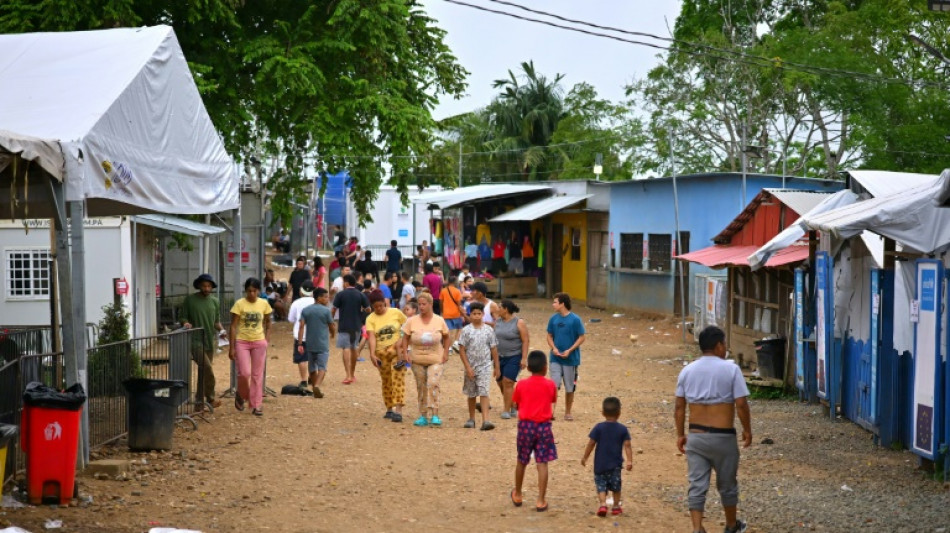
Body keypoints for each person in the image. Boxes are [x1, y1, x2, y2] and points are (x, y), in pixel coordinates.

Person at [675, 326, 751, 533]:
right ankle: (730, 525)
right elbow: (741, 404)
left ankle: (697, 528)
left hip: (696, 437)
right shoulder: (731, 369)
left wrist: (681, 434)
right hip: (723, 437)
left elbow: (679, 407)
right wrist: (747, 430)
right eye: (724, 344)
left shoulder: (687, 371)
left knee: (697, 485)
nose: (725, 348)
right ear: (718, 346)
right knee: (727, 484)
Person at [511, 350, 558, 512]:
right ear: (545, 368)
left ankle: (517, 493)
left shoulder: (522, 384)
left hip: (525, 426)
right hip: (544, 426)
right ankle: (541, 499)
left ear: (528, 367)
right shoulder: (550, 384)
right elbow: (552, 400)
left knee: (521, 460)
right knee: (542, 462)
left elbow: (516, 403)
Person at [400, 292, 450, 427]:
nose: (421, 307)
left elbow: (446, 336)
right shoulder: (411, 321)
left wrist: (446, 352)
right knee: (421, 386)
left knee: (433, 383)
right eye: (419, 304)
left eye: (424, 304)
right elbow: (405, 337)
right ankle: (423, 415)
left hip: (435, 358)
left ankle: (435, 414)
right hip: (417, 359)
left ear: (430, 304)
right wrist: (405, 353)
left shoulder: (439, 320)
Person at [581, 397, 633, 517]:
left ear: (603, 413)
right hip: (615, 464)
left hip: (600, 464)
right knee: (616, 486)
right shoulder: (623, 429)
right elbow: (627, 445)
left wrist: (585, 457)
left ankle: (603, 504)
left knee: (601, 485)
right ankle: (615, 506)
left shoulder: (598, 427)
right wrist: (629, 460)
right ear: (619, 413)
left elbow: (591, 443)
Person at [229, 277, 273, 416]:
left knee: (257, 375)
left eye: (254, 291)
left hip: (259, 342)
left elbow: (268, 323)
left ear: (259, 291)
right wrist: (232, 347)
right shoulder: (239, 304)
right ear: (245, 291)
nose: (252, 294)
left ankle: (256, 404)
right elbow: (233, 326)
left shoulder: (264, 304)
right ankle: (242, 394)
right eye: (249, 291)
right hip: (242, 341)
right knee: (244, 373)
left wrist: (266, 339)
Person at [180, 273, 224, 410]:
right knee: (207, 368)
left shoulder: (215, 301)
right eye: (204, 285)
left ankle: (199, 403)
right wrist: (186, 323)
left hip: (209, 340)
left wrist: (222, 331)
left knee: (202, 372)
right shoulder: (190, 300)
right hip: (195, 341)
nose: (206, 288)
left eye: (209, 286)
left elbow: (216, 321)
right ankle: (210, 398)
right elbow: (183, 317)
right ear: (199, 286)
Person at [365, 289, 408, 422]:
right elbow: (371, 337)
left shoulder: (396, 312)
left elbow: (406, 328)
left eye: (381, 305)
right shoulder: (370, 318)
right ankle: (389, 407)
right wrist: (372, 353)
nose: (378, 309)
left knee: (397, 378)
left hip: (397, 352)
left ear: (385, 302)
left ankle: (398, 410)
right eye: (375, 307)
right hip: (381, 353)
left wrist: (401, 342)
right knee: (386, 380)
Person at [458, 302, 500, 431]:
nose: (476, 316)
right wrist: (468, 367)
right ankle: (471, 418)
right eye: (474, 313)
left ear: (483, 314)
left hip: (485, 365)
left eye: (479, 314)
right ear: (470, 314)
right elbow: (462, 349)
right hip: (471, 366)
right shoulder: (466, 330)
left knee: (484, 391)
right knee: (471, 393)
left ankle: (486, 420)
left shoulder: (489, 330)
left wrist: (496, 367)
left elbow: (493, 349)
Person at [546, 292, 586, 421]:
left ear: (562, 304)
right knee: (554, 384)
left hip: (571, 359)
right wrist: (554, 348)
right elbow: (549, 335)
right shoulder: (553, 319)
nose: (553, 304)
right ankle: (551, 411)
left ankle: (568, 412)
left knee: (570, 386)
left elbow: (582, 337)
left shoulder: (575, 320)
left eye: (555, 302)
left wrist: (570, 350)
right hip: (555, 358)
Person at [297, 287, 336, 399]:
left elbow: (301, 326)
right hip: (323, 343)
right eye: (325, 297)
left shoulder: (306, 310)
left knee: (312, 367)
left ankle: (314, 388)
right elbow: (331, 326)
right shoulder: (326, 311)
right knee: (322, 367)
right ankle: (317, 386)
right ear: (319, 298)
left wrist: (300, 343)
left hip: (310, 343)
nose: (327, 299)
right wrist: (333, 334)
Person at [331, 274, 370, 384]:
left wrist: (331, 321)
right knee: (354, 348)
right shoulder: (360, 295)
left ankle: (347, 375)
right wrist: (360, 310)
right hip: (357, 325)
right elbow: (368, 309)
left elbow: (334, 309)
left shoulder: (340, 295)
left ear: (347, 283)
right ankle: (352, 374)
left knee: (346, 348)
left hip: (344, 325)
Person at [495, 300, 529, 420]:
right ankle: (513, 404)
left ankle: (506, 410)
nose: (497, 309)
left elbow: (525, 340)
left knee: (508, 381)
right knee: (499, 382)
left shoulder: (519, 323)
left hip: (514, 356)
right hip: (499, 357)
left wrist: (524, 358)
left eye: (499, 307)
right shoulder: (497, 322)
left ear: (506, 309)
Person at [287, 281, 316, 392]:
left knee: (302, 357)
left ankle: (304, 380)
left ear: (301, 290)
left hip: (301, 335)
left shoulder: (297, 303)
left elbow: (291, 319)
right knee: (314, 356)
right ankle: (313, 376)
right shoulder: (316, 302)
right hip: (315, 334)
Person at [440, 275, 465, 342]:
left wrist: (442, 311)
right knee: (457, 331)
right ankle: (454, 345)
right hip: (456, 314)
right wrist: (462, 314)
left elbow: (441, 303)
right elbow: (459, 304)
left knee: (448, 331)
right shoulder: (457, 291)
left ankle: (448, 346)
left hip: (446, 314)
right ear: (455, 282)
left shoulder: (443, 291)